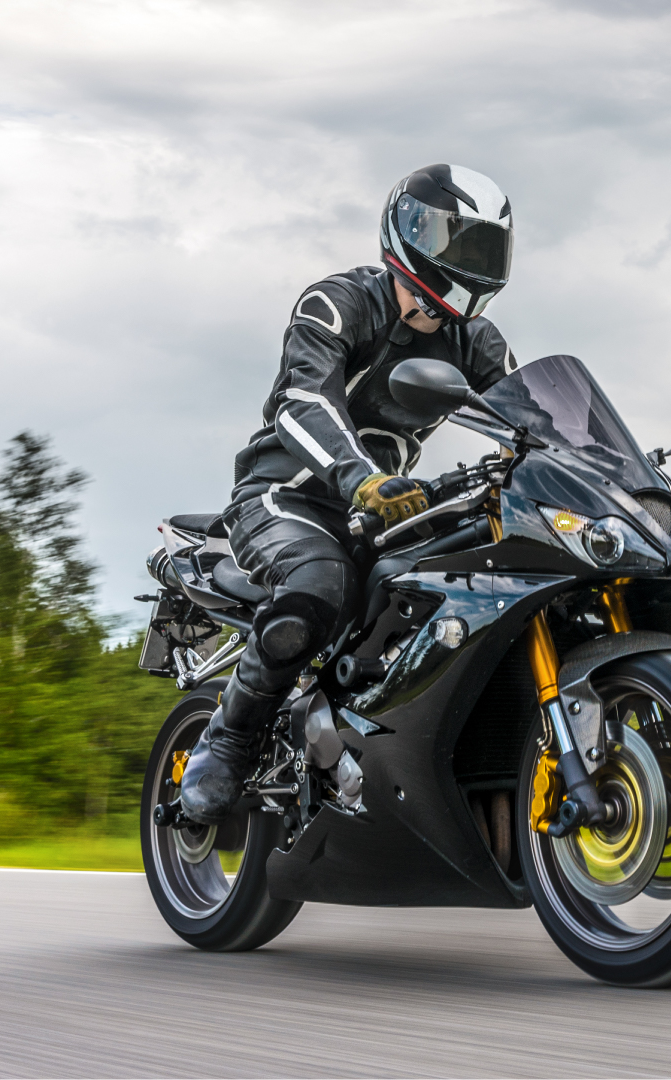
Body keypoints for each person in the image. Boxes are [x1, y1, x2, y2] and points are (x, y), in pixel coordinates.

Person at [181, 164, 519, 823]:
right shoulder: (337, 303)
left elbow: (528, 420)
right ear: (411, 231)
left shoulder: (475, 339)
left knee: (475, 584)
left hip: (388, 507)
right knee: (318, 586)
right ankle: (228, 738)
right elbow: (302, 401)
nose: (467, 260)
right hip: (285, 497)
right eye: (457, 242)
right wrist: (361, 479)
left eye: (482, 246)